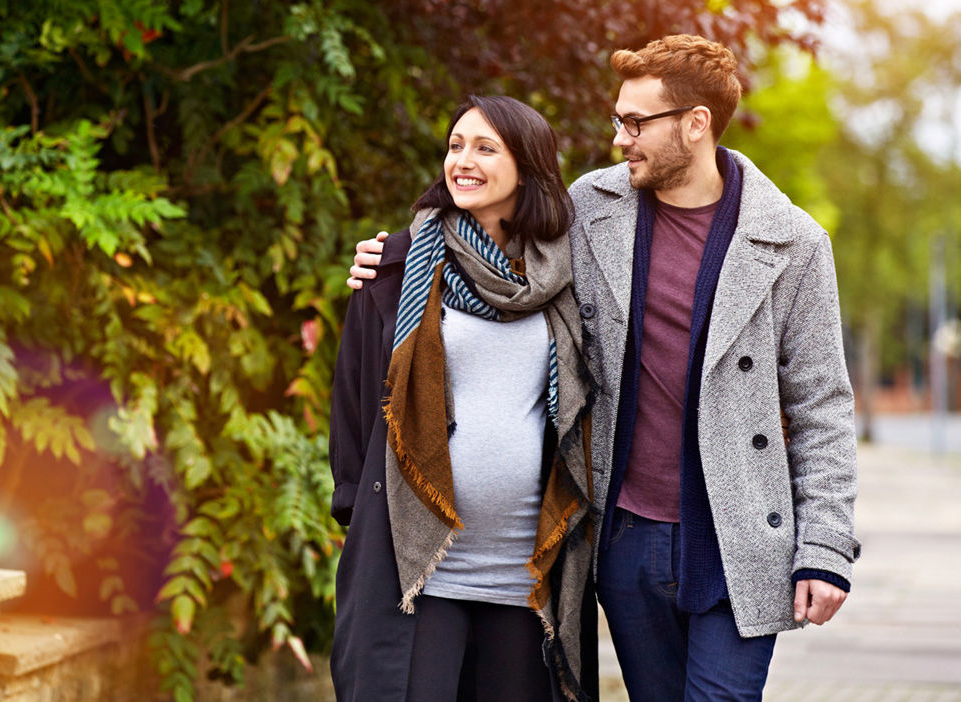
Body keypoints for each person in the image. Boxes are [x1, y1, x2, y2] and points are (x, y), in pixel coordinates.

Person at [346, 35, 860, 702]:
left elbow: (823, 404)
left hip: (738, 537)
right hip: (625, 537)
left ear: (695, 124)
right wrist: (394, 256)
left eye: (636, 122)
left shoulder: (791, 242)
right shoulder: (593, 209)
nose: (620, 138)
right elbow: (499, 249)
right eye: (620, 120)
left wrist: (825, 547)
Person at [328, 95, 598, 702]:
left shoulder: (565, 276)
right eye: (455, 145)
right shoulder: (396, 269)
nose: (463, 160)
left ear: (527, 167)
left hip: (524, 577)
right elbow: (351, 408)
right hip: (417, 572)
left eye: (484, 147)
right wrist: (362, 520)